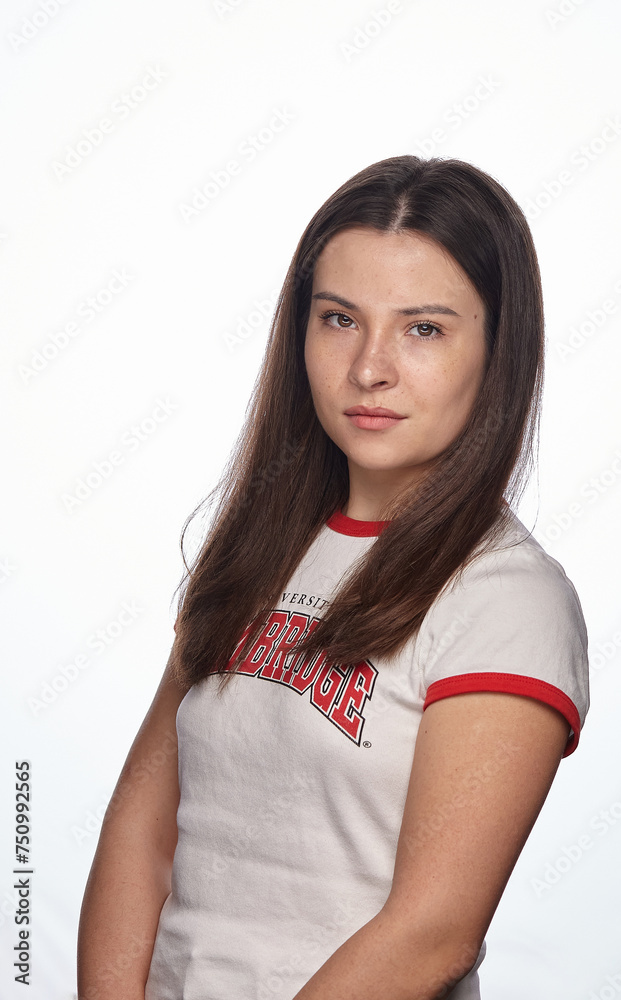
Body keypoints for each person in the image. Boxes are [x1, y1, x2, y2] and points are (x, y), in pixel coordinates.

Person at [77, 154, 590, 1000]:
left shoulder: (508, 598)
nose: (369, 368)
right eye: (340, 319)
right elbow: (142, 835)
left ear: (498, 351)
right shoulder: (254, 552)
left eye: (424, 329)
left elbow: (434, 934)